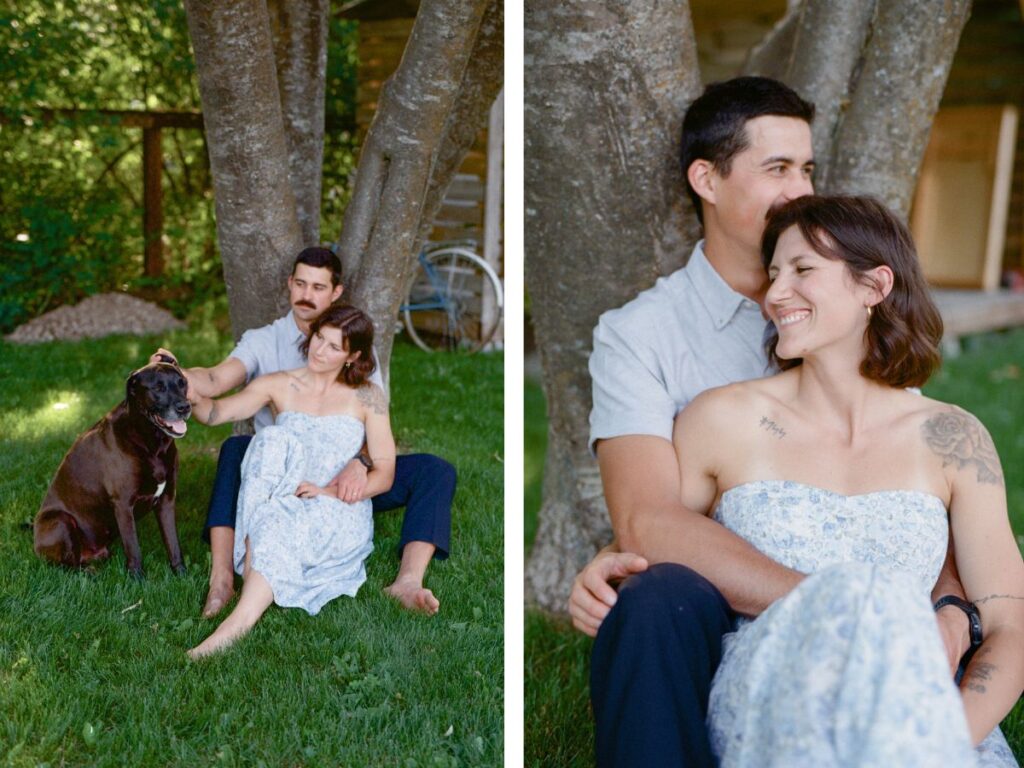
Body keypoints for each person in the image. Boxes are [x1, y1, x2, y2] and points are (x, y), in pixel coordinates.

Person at [570, 77, 977, 767]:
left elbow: (917, 500)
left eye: (808, 168)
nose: (800, 188)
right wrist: (837, 612)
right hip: (714, 608)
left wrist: (948, 612)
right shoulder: (640, 334)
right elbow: (648, 522)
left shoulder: (851, 316)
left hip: (874, 607)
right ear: (707, 178)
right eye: (777, 169)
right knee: (650, 598)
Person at [686, 194, 1022, 764]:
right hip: (774, 695)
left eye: (802, 270)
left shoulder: (952, 439)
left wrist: (941, 737)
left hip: (917, 710)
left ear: (874, 287)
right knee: (859, 591)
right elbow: (658, 536)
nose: (774, 295)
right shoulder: (721, 419)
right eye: (772, 275)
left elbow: (1011, 624)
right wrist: (611, 558)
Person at [156, 247, 453, 619]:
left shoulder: (354, 348)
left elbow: (374, 424)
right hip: (278, 473)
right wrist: (177, 377)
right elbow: (215, 381)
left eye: (317, 286)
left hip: (345, 476)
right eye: (300, 283)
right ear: (289, 284)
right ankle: (222, 579)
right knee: (236, 448)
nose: (306, 295)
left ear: (336, 293)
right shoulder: (265, 340)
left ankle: (408, 580)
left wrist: (360, 463)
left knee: (436, 470)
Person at [185, 303, 395, 659]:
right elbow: (217, 412)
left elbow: (386, 472)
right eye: (318, 339)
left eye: (334, 346)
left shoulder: (367, 396)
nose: (319, 350)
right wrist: (187, 392)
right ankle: (257, 580)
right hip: (278, 493)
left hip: (335, 505)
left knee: (275, 520)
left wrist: (328, 490)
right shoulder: (279, 384)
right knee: (270, 445)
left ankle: (234, 627)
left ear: (352, 356)